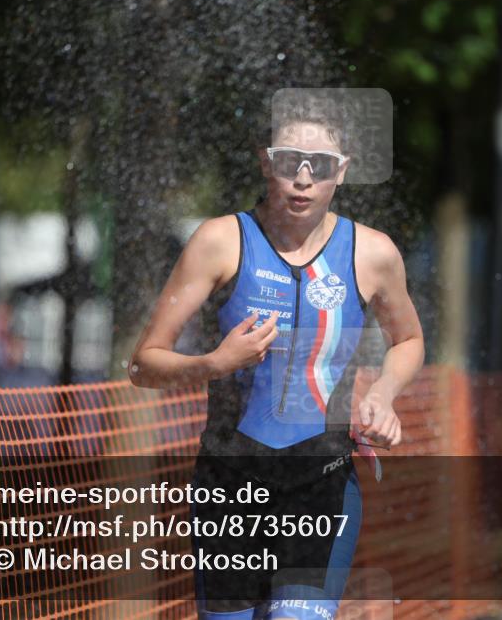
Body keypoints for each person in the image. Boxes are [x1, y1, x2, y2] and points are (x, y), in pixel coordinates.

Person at [129, 96, 424, 620]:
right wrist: (215, 364)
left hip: (322, 484)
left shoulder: (371, 253)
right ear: (266, 161)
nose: (304, 178)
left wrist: (382, 395)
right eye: (290, 161)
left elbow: (408, 340)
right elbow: (143, 364)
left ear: (343, 172)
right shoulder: (220, 241)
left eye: (322, 166)